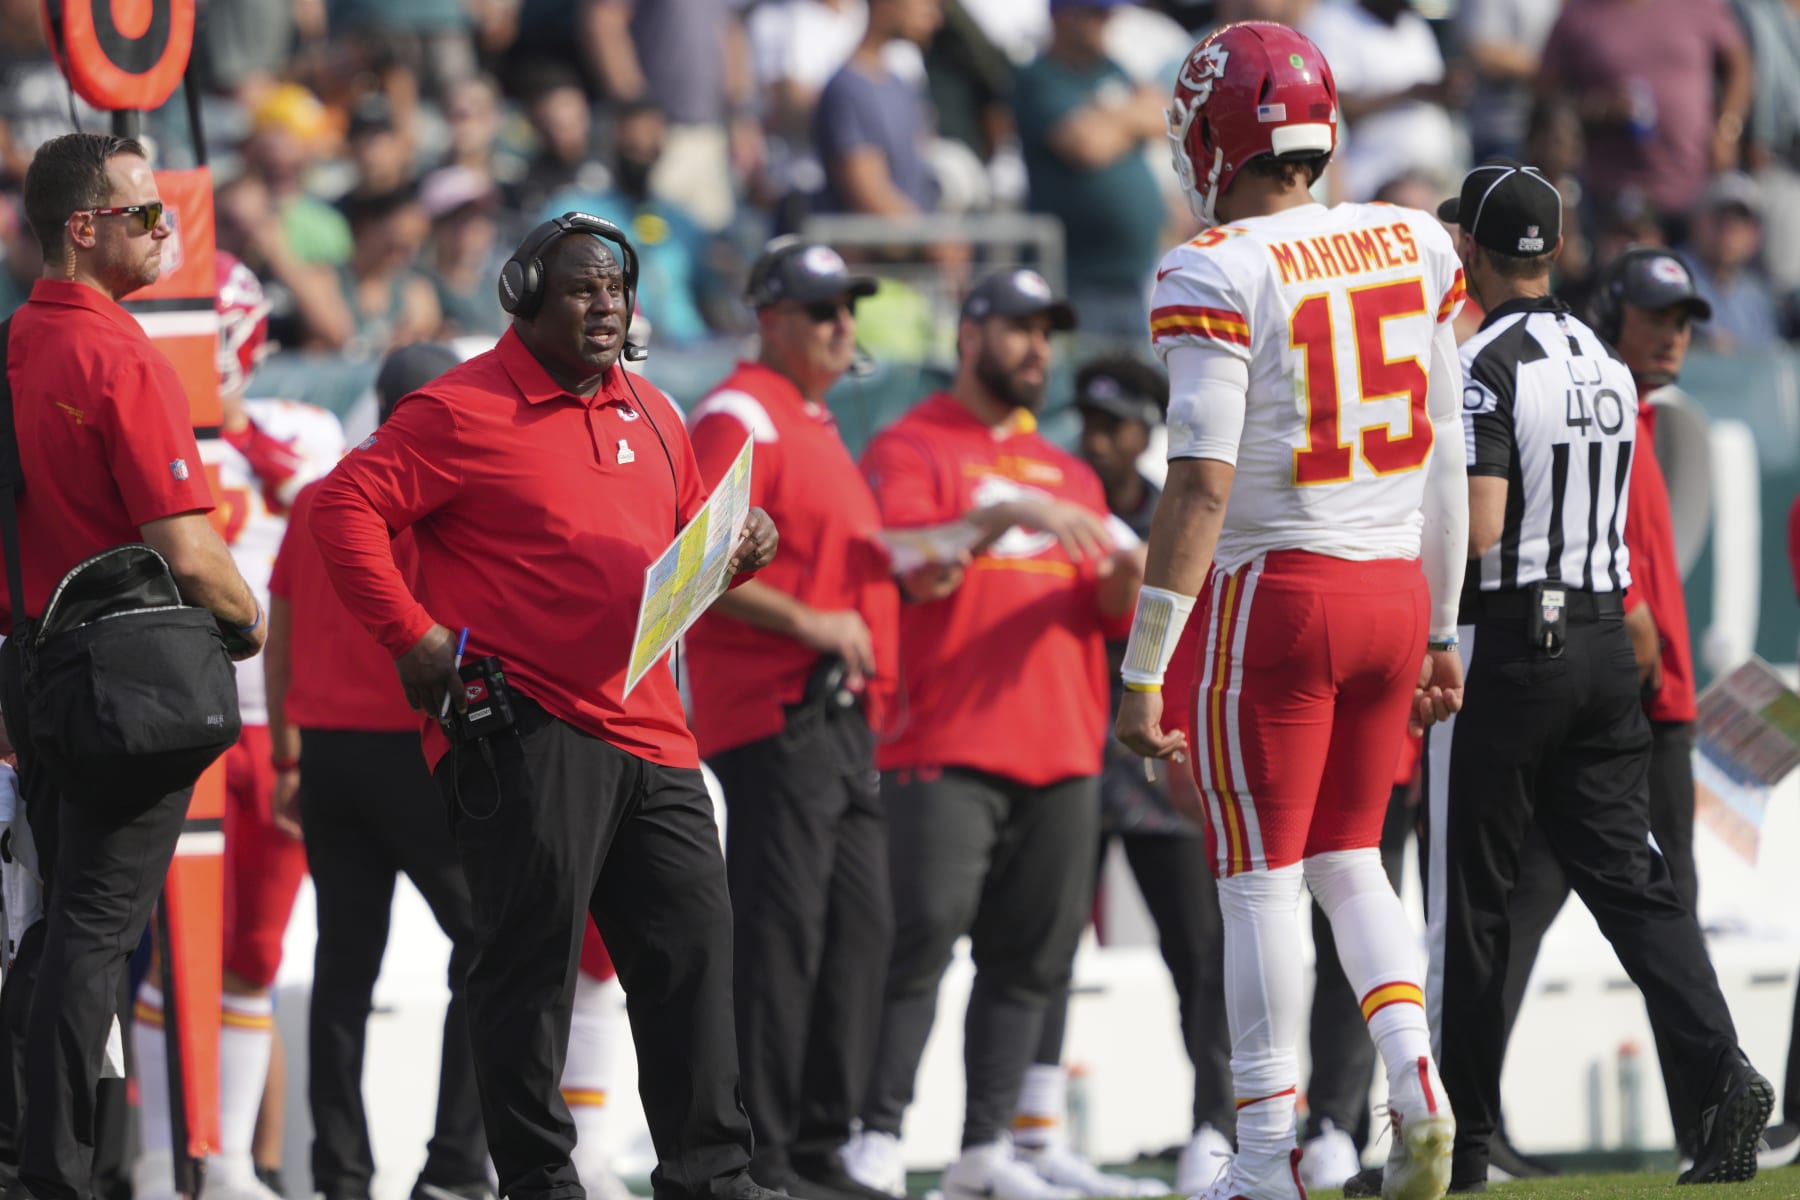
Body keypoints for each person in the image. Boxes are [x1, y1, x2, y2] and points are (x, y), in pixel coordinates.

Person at [306, 213, 779, 1200]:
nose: (604, 304)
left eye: (616, 287)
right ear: (522, 295)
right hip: (528, 725)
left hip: (653, 731)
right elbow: (342, 506)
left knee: (693, 952)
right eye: (579, 288)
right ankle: (538, 1184)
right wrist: (413, 634)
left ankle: (714, 1179)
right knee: (528, 972)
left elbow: (679, 551)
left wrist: (735, 550)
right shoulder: (458, 407)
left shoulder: (653, 408)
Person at [1113, 22, 1471, 1200]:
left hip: (1279, 594)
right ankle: (1415, 1075)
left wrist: (1143, 665)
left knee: (1258, 877)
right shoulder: (1416, 241)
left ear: (1219, 138)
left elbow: (1203, 480)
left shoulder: (1214, 266)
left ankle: (1266, 1162)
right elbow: (1444, 452)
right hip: (1392, 586)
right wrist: (1438, 627)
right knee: (1351, 856)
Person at [1417, 161, 1771, 1192]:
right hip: (1607, 648)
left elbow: (1481, 528)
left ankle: (1457, 1146)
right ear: (1555, 251)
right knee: (1640, 889)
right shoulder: (1605, 364)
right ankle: (1722, 1067)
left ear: (1473, 252)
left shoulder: (1479, 362)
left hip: (1511, 646)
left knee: (1471, 912)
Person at [0, 131, 264, 1199]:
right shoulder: (119, 354)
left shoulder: (13, 343)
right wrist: (248, 627)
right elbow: (191, 553)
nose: (168, 231)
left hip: (32, 664)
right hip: (126, 681)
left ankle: (28, 1156)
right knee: (93, 932)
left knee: (56, 925)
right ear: (84, 227)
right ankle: (56, 1172)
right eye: (147, 214)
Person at [843, 269, 1144, 1200]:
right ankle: (874, 1135)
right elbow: (902, 562)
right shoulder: (910, 445)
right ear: (971, 335)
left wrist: (1143, 565)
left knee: (1034, 956)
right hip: (945, 740)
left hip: (1062, 747)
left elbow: (1106, 610)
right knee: (920, 941)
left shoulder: (1073, 471)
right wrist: (1002, 514)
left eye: (1047, 333)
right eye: (1017, 330)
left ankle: (986, 1149)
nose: (1036, 350)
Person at [1460, 244, 1724, 1172]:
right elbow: (1621, 581)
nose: (1674, 337)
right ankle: (1710, 1108)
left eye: (1686, 321)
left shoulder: (1614, 404)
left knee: (1516, 909)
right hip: (1627, 697)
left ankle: (1477, 1131)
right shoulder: (1612, 404)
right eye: (1658, 316)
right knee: (1620, 910)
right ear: (1612, 311)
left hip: (1620, 693)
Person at [683, 238, 898, 1200]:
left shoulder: (809, 419)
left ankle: (818, 1145)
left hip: (839, 714)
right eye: (820, 310)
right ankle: (762, 1154)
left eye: (846, 308)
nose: (840, 325)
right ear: (769, 318)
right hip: (775, 707)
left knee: (858, 930)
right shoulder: (741, 413)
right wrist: (811, 618)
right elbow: (697, 563)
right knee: (781, 934)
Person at [131, 252, 345, 1200]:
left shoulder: (302, 431)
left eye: (216, 335)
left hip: (282, 727)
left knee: (255, 952)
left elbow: (337, 530)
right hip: (188, 723)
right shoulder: (154, 435)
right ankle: (150, 1159)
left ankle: (220, 1167)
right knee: (175, 940)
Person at [263, 341, 495, 1200]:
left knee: (344, 968)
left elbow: (280, 629)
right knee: (485, 948)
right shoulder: (435, 502)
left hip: (327, 755)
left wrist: (288, 755)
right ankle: (455, 1166)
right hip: (416, 753)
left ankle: (341, 1175)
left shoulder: (320, 498)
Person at [1012, 355, 1235, 1197]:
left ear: (1148, 431)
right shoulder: (1065, 510)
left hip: (1153, 757)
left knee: (1199, 950)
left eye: (1116, 426)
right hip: (1070, 750)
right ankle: (1029, 1132)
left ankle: (1215, 1125)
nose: (1100, 441)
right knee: (1045, 944)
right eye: (1092, 425)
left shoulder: (1178, 517)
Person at [1013, 0, 1170, 342]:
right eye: (1097, 14)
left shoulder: (1113, 69)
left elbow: (1163, 115)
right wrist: (1129, 118)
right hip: (1078, 280)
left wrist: (1108, 117)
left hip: (1136, 278)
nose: (1107, 22)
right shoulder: (1038, 77)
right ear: (1066, 17)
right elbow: (1085, 145)